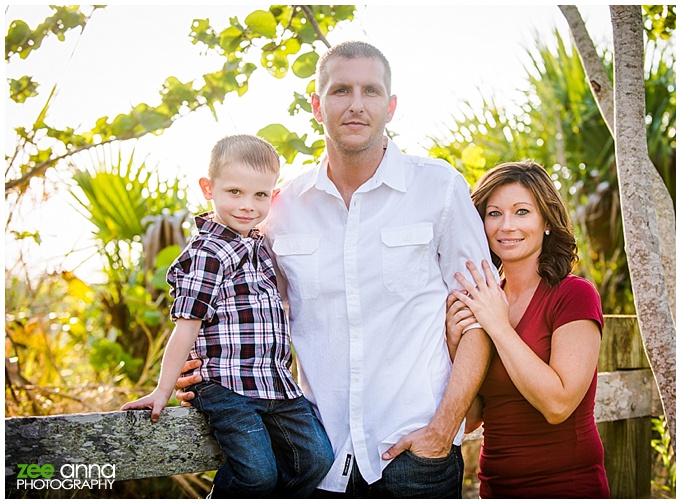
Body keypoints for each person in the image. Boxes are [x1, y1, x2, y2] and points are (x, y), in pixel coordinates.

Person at [176, 41, 496, 498]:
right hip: (320, 457)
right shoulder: (283, 207)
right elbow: (247, 312)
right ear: (317, 105)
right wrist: (201, 371)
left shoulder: (440, 188)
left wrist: (442, 430)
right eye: (341, 90)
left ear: (391, 106)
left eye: (371, 90)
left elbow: (481, 319)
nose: (356, 105)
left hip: (414, 453)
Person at [121, 135, 334, 498]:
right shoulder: (207, 253)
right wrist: (162, 389)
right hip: (226, 385)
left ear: (273, 195)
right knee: (256, 475)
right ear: (209, 188)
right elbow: (185, 329)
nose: (248, 206)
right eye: (234, 192)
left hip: (274, 383)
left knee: (316, 459)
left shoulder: (259, 246)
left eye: (260, 195)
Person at [446, 160, 610, 498]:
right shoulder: (485, 299)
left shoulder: (574, 295)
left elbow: (558, 404)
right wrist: (453, 343)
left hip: (567, 488)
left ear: (547, 221)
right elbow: (473, 417)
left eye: (522, 212)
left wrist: (498, 326)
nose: (506, 226)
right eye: (494, 214)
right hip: (495, 488)